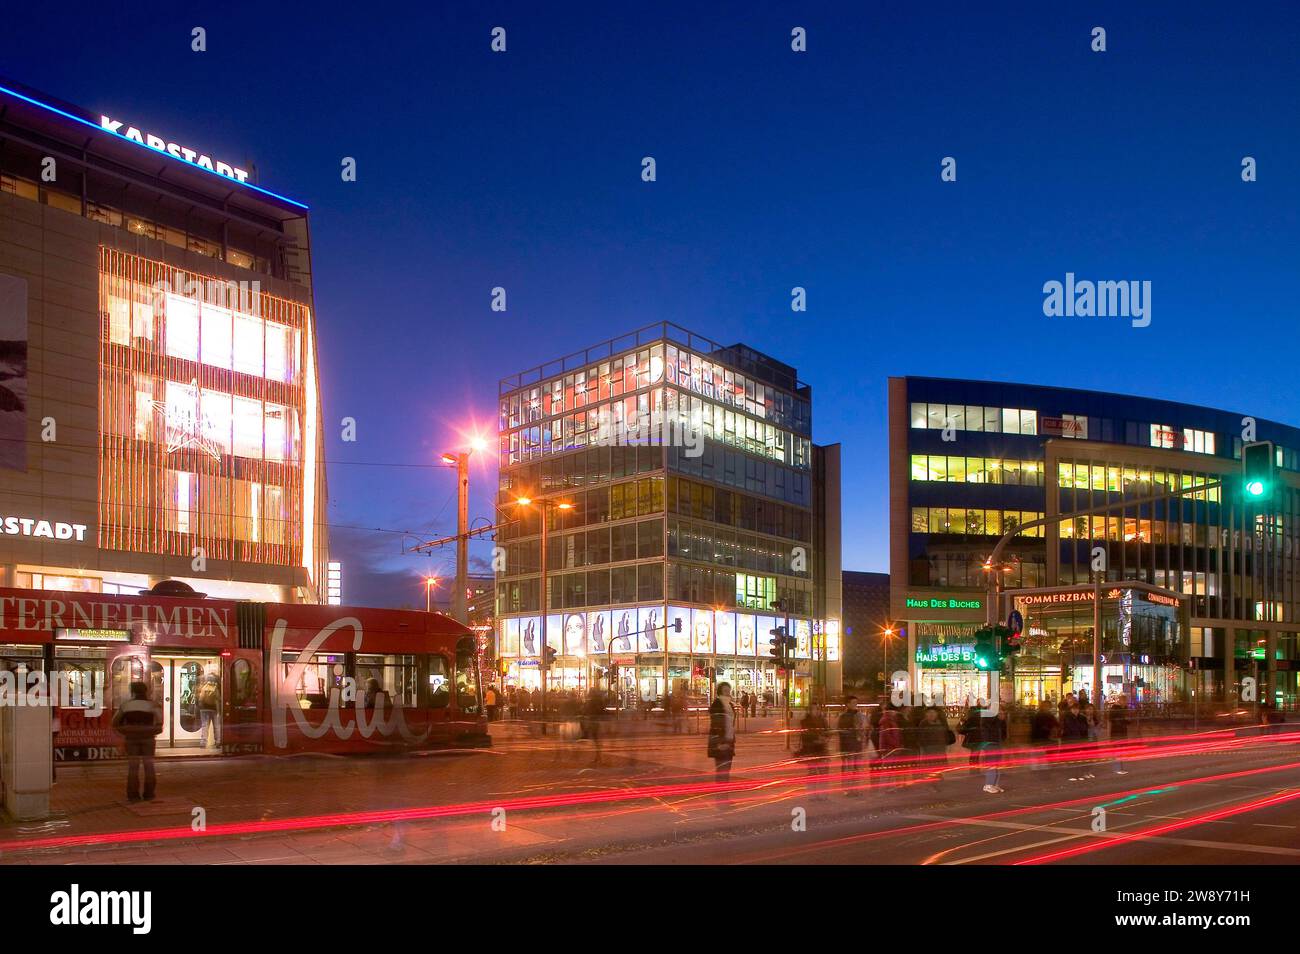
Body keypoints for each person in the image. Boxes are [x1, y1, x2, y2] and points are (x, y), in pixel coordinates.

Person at [112, 681, 162, 801]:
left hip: (131, 739)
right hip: (148, 739)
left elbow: (114, 722)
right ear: (146, 691)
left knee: (133, 767)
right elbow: (160, 722)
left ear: (132, 691)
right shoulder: (152, 705)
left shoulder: (126, 705)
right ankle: (149, 794)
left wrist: (125, 731)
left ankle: (133, 795)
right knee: (149, 766)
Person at [707, 682, 738, 804]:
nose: (728, 692)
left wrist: (730, 740)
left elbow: (730, 724)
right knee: (722, 771)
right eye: (725, 690)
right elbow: (716, 724)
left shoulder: (729, 704)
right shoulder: (717, 704)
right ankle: (721, 798)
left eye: (729, 690)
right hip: (720, 742)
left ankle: (724, 797)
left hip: (729, 741)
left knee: (726, 771)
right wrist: (720, 742)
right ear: (720, 691)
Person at [797, 701, 831, 799]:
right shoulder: (805, 721)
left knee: (823, 771)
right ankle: (812, 793)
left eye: (817, 709)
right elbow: (805, 735)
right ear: (809, 710)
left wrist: (826, 738)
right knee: (812, 772)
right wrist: (816, 739)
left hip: (822, 749)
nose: (816, 711)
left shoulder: (823, 720)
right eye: (813, 709)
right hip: (811, 749)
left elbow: (828, 732)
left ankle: (822, 793)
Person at [836, 696, 867, 795]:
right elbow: (842, 732)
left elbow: (864, 729)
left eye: (856, 702)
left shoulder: (859, 715)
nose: (855, 705)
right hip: (848, 746)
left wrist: (863, 731)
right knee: (848, 768)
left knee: (856, 768)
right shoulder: (844, 717)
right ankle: (847, 789)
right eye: (853, 702)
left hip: (857, 745)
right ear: (848, 704)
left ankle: (855, 788)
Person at [915, 706, 954, 782]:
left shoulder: (941, 722)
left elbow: (946, 733)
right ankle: (932, 778)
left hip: (940, 747)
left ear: (937, 714)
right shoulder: (923, 723)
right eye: (929, 713)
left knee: (939, 763)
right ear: (926, 714)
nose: (931, 714)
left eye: (933, 712)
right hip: (928, 748)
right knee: (930, 764)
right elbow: (920, 736)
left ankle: (938, 776)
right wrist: (922, 745)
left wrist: (946, 743)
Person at [977, 707, 1009, 794]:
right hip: (990, 744)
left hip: (997, 743)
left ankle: (995, 784)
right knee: (992, 764)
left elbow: (1002, 731)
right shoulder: (987, 717)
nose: (1001, 712)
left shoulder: (998, 720)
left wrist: (1002, 720)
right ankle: (988, 785)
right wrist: (998, 718)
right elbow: (988, 729)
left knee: (996, 765)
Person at [1029, 699, 1060, 771]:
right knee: (1041, 755)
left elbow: (1056, 724)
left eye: (1048, 706)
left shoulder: (1047, 715)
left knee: (1045, 755)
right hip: (1041, 738)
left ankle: (1045, 767)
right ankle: (1043, 768)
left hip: (1045, 738)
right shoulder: (1039, 715)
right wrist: (1051, 729)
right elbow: (1041, 727)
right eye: (1046, 706)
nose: (1048, 708)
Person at [196, 670, 221, 750]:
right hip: (214, 709)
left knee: (205, 726)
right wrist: (219, 711)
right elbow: (218, 699)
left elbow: (200, 699)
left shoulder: (204, 687)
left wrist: (200, 706)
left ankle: (203, 742)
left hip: (204, 709)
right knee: (216, 726)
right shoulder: (216, 688)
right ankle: (218, 742)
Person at [1108, 695, 1130, 775]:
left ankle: (1120, 768)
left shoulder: (1125, 708)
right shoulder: (1114, 708)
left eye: (1126, 701)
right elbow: (1111, 720)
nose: (1126, 703)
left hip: (1122, 732)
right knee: (1117, 751)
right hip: (1116, 732)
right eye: (1124, 701)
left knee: (1120, 751)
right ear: (1120, 701)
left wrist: (1127, 720)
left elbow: (1127, 720)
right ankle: (1117, 769)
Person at [959, 706, 984, 774]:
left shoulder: (970, 720)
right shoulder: (982, 719)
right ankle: (976, 769)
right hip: (980, 739)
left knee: (973, 755)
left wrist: (962, 723)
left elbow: (962, 731)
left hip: (973, 739)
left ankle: (973, 769)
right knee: (976, 755)